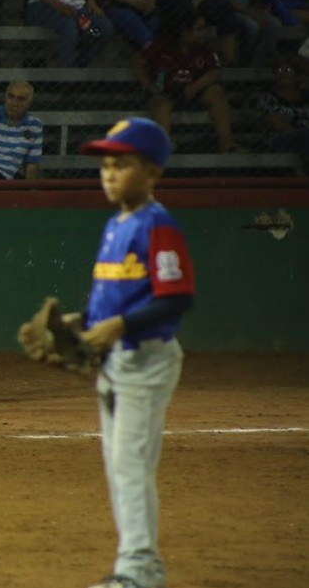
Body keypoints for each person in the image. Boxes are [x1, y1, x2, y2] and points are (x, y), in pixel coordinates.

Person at [77, 117, 196, 588]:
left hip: (145, 360)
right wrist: (80, 322)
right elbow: (112, 293)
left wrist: (116, 325)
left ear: (152, 172)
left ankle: (139, 569)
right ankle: (141, 567)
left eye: (121, 164)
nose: (108, 173)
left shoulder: (157, 225)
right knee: (122, 465)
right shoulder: (116, 224)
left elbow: (177, 296)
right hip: (118, 361)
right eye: (105, 165)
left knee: (130, 465)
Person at [133, 7, 238, 153]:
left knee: (217, 93)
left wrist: (193, 87)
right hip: (167, 91)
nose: (204, 33)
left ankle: (226, 143)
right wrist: (148, 84)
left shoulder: (205, 48)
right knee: (160, 105)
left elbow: (215, 72)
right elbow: (138, 61)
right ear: (184, 31)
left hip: (193, 91)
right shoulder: (162, 45)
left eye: (204, 28)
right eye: (198, 29)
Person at [251, 58, 309, 158]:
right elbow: (273, 121)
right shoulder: (268, 98)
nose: (282, 74)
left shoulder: (306, 97)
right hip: (279, 139)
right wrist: (298, 132)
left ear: (297, 76)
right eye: (279, 71)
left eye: (288, 70)